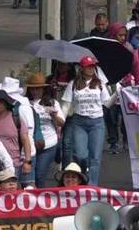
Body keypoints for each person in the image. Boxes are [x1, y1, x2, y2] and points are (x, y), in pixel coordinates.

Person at [60, 56, 113, 185]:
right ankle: (82, 177)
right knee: (80, 155)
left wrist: (117, 94)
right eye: (88, 66)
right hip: (79, 122)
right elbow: (66, 104)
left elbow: (107, 103)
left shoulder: (99, 84)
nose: (90, 69)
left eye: (92, 66)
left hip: (97, 123)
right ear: (81, 68)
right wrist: (60, 122)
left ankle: (91, 186)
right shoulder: (73, 84)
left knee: (95, 157)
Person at [23, 72, 63, 188]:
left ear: (44, 89)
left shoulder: (52, 103)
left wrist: (53, 115)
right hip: (29, 145)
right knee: (28, 178)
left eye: (38, 89)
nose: (35, 92)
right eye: (32, 89)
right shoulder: (25, 103)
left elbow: (61, 123)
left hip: (48, 144)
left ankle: (42, 203)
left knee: (39, 176)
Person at [0, 89, 34, 183]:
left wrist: (27, 161)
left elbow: (25, 139)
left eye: (0, 102)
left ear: (6, 104)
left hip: (14, 163)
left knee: (11, 191)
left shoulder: (16, 118)